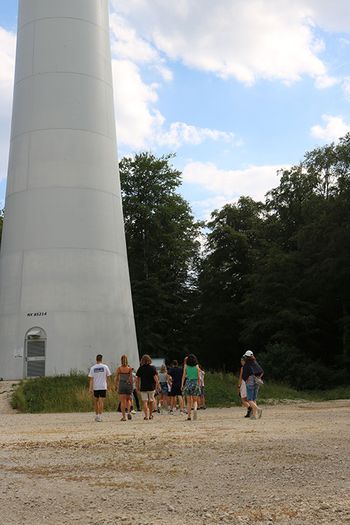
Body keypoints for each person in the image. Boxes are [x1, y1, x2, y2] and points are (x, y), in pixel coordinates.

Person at [88, 354, 112, 422]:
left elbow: (91, 379)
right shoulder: (105, 367)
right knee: (101, 401)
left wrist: (90, 388)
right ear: (101, 359)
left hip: (96, 387)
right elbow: (108, 377)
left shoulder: (93, 368)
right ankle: (100, 416)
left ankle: (97, 415)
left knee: (96, 402)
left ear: (96, 359)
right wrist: (109, 386)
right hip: (103, 386)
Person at [136, 354, 160, 420]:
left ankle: (146, 416)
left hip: (143, 387)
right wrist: (158, 385)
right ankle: (150, 415)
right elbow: (156, 378)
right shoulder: (152, 368)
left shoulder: (140, 368)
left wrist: (137, 386)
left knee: (145, 402)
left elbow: (137, 379)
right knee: (151, 401)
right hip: (151, 387)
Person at [242, 350, 264, 419]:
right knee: (254, 399)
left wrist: (246, 379)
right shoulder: (255, 363)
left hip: (250, 382)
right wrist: (258, 378)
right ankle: (254, 416)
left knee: (249, 400)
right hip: (256, 382)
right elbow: (261, 371)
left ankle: (258, 409)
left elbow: (244, 375)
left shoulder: (246, 364)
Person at [181, 354, 201, 421]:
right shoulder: (197, 366)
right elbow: (199, 377)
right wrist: (199, 384)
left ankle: (189, 416)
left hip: (188, 383)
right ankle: (195, 409)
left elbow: (183, 376)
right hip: (195, 383)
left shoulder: (186, 366)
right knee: (195, 400)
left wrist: (182, 385)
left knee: (188, 402)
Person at [115, 355, 133, 421]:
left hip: (122, 384)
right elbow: (131, 378)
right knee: (128, 400)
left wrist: (116, 386)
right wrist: (132, 386)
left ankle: (124, 417)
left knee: (122, 401)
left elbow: (116, 378)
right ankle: (129, 412)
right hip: (128, 384)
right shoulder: (130, 369)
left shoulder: (119, 369)